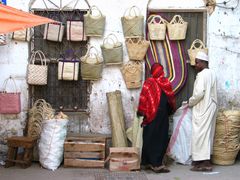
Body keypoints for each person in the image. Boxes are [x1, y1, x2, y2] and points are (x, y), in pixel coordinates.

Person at [137, 63, 176, 173]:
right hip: (162, 115)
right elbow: (171, 100)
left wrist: (142, 112)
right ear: (161, 71)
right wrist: (170, 110)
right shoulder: (165, 82)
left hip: (150, 115)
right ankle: (156, 164)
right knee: (160, 139)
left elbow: (143, 99)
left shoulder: (149, 82)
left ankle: (146, 162)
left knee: (149, 137)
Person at [188, 51, 218, 172]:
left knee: (200, 134)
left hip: (203, 108)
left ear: (202, 62)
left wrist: (190, 102)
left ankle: (205, 163)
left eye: (196, 62)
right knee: (207, 134)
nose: (195, 65)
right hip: (211, 107)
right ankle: (201, 160)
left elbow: (199, 93)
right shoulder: (212, 73)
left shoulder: (202, 75)